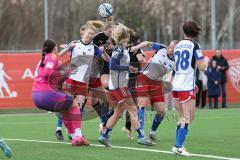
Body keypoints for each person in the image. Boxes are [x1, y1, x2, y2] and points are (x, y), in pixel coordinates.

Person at [98, 24, 154, 147]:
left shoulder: (122, 48)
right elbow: (112, 65)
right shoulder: (119, 49)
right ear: (125, 35)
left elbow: (130, 51)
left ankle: (104, 135)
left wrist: (142, 45)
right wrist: (127, 68)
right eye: (128, 33)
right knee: (133, 109)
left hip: (117, 85)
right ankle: (141, 136)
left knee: (118, 112)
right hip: (120, 86)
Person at [32, 39, 89, 146]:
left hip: (36, 96)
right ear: (54, 49)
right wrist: (64, 71)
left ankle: (75, 139)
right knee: (74, 105)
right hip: (46, 94)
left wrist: (66, 74)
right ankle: (79, 135)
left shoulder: (43, 60)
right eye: (56, 48)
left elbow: (51, 77)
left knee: (65, 109)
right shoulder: (52, 57)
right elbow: (47, 74)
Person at [171, 20, 207, 156]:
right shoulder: (195, 46)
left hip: (177, 84)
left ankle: (179, 145)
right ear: (195, 32)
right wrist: (206, 62)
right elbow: (202, 66)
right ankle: (178, 146)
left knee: (182, 116)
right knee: (188, 117)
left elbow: (175, 67)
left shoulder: (178, 45)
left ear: (184, 31)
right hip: (186, 86)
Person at [135, 40, 178, 141]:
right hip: (144, 77)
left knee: (162, 111)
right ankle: (140, 133)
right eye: (169, 45)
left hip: (157, 83)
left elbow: (178, 74)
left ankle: (152, 132)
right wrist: (136, 47)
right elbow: (147, 43)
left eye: (172, 47)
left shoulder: (176, 61)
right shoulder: (162, 48)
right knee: (141, 103)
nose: (169, 48)